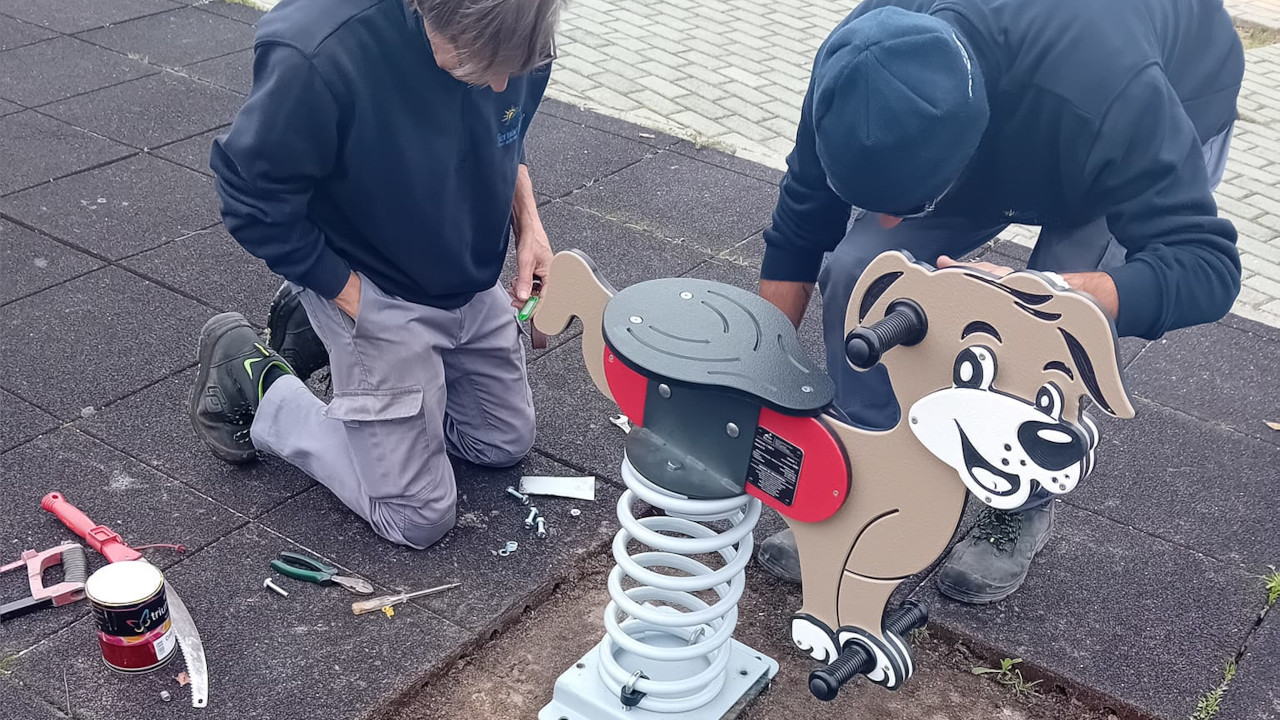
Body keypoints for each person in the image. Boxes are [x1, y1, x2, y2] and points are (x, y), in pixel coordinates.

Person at [755, 0, 1244, 603]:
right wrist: (759, 379)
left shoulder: (1111, 90)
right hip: (1019, 111)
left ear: (967, 156)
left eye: (908, 205)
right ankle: (871, 476)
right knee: (863, 270)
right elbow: (801, 231)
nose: (887, 218)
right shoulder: (862, 62)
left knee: (1038, 327)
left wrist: (1049, 294)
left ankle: (1022, 506)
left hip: (1161, 99)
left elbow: (1207, 266)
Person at [189, 0, 564, 550]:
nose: (503, 80)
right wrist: (355, 301)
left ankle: (339, 349)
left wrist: (530, 226)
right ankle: (256, 380)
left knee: (502, 443)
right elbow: (251, 198)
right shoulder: (319, 49)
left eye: (515, 66)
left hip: (463, 271)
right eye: (478, 63)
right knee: (418, 517)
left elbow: (504, 128)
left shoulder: (520, 35)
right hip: (374, 282)